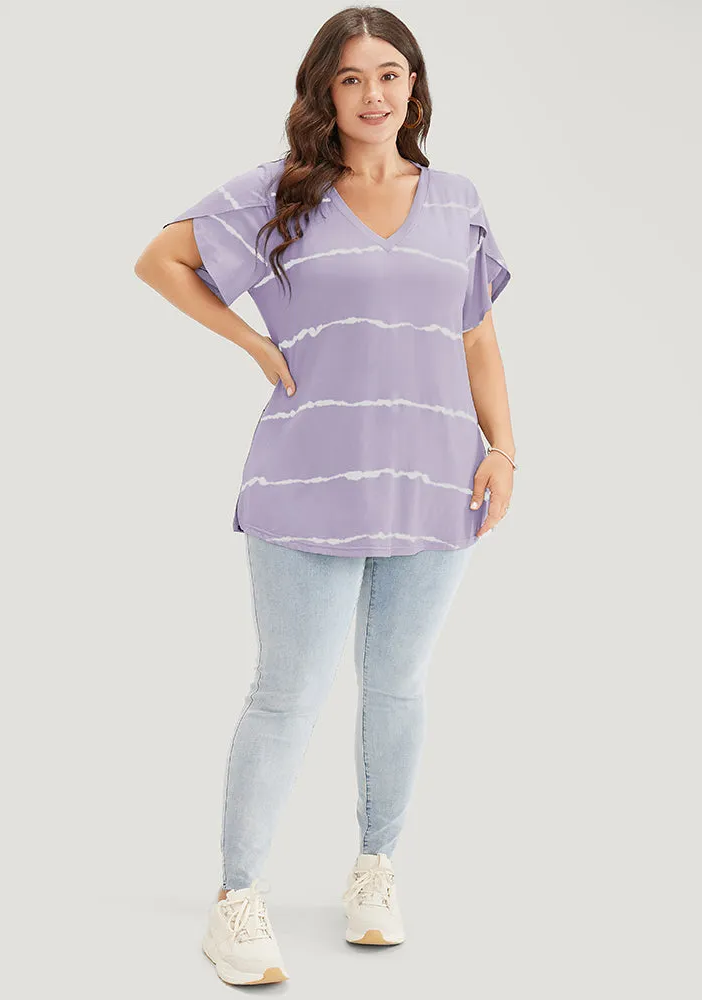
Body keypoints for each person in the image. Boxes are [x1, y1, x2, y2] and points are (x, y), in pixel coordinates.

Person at [134, 6, 516, 987]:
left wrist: (503, 451)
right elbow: (161, 259)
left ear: (414, 87)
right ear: (326, 93)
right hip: (306, 481)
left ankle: (375, 871)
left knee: (398, 687)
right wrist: (253, 342)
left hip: (433, 480)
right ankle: (237, 897)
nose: (373, 94)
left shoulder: (458, 200)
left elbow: (476, 333)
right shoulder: (281, 193)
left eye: (389, 74)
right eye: (351, 79)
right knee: (288, 694)